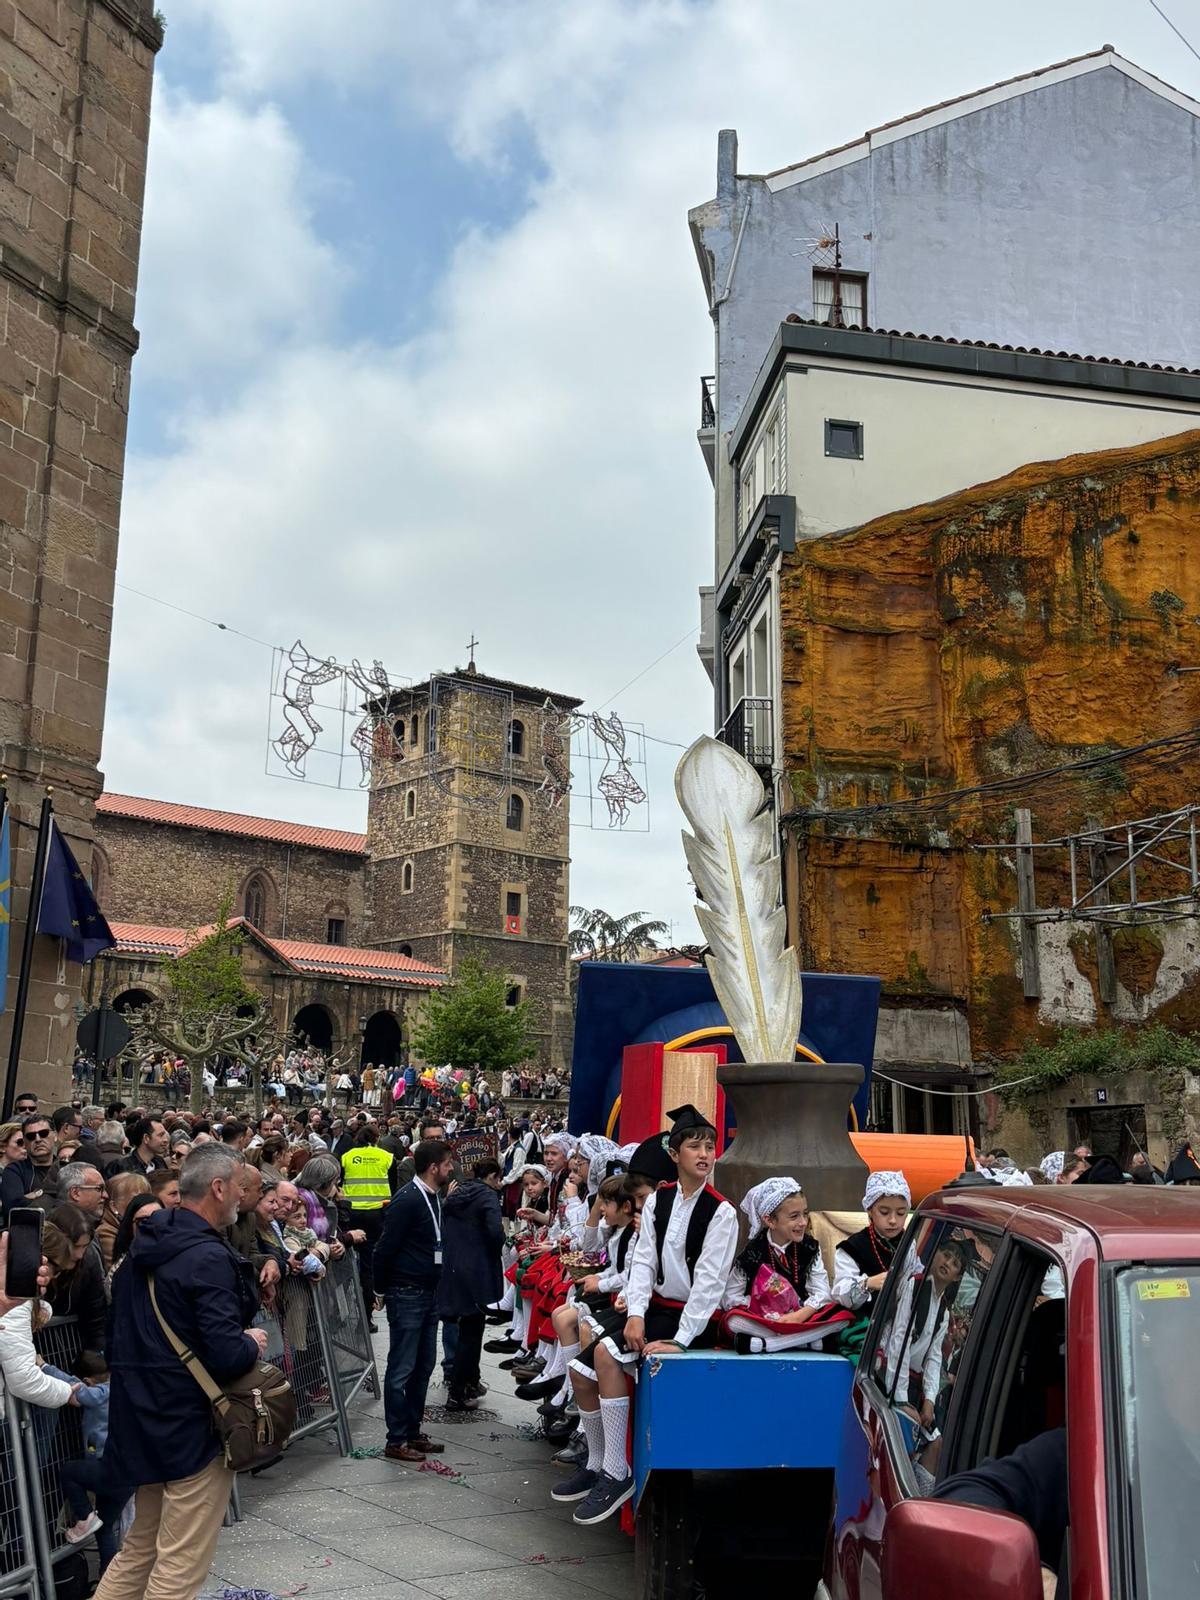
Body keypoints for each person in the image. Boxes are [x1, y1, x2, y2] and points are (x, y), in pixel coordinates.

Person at [94, 1144, 266, 1600]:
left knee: (139, 1551)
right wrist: (251, 1341)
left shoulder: (141, 1249)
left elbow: (118, 1339)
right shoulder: (206, 1256)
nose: (242, 1195)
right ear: (218, 1188)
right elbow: (226, 1354)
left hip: (143, 1417)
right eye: (239, 1186)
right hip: (193, 1424)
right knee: (178, 1568)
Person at [562, 1105, 738, 1526]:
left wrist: (682, 1339)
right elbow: (643, 1263)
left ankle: (618, 1471)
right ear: (675, 1154)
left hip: (689, 1318)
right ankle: (598, 1462)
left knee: (604, 1355)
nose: (704, 1154)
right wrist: (636, 1313)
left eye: (710, 1147)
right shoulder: (660, 1200)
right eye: (695, 1146)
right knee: (579, 1372)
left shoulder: (721, 1212)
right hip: (655, 1308)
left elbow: (709, 1284)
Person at [373, 1138, 455, 1462]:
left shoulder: (434, 1197)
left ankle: (411, 1429)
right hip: (406, 1292)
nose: (451, 1168)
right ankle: (396, 1438)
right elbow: (384, 1247)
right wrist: (380, 1290)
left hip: (428, 1292)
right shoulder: (407, 1199)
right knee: (402, 1368)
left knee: (423, 1365)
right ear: (434, 1167)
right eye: (447, 1164)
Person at [435, 1157, 504, 1413]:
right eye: (499, 1179)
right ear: (492, 1176)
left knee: (466, 1328)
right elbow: (495, 1232)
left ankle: (471, 1381)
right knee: (472, 1332)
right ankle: (458, 1392)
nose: (500, 1184)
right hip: (477, 1271)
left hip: (453, 1268)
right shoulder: (487, 1196)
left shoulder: (455, 1194)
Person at [341, 1123, 395, 1331]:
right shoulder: (386, 1157)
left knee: (343, 1262)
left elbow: (341, 1183)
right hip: (376, 1216)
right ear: (376, 1138)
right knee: (368, 1267)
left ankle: (338, 1311)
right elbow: (393, 1188)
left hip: (350, 1215)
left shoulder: (347, 1157)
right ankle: (366, 1317)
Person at [832, 1171, 911, 1314]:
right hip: (867, 1322)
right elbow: (841, 1294)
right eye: (884, 1212)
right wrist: (867, 1283)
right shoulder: (853, 1247)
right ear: (869, 1210)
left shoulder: (912, 1243)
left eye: (900, 1213)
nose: (893, 1220)